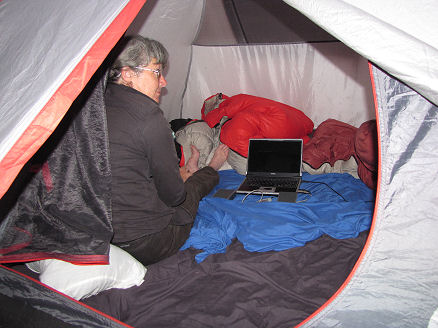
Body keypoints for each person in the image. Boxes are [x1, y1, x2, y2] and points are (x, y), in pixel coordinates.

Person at [105, 35, 228, 265]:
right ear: (128, 73)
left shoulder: (94, 105)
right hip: (145, 243)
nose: (163, 82)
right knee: (191, 187)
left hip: (100, 238)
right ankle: (211, 167)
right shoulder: (148, 116)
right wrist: (180, 178)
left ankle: (191, 169)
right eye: (156, 72)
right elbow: (174, 196)